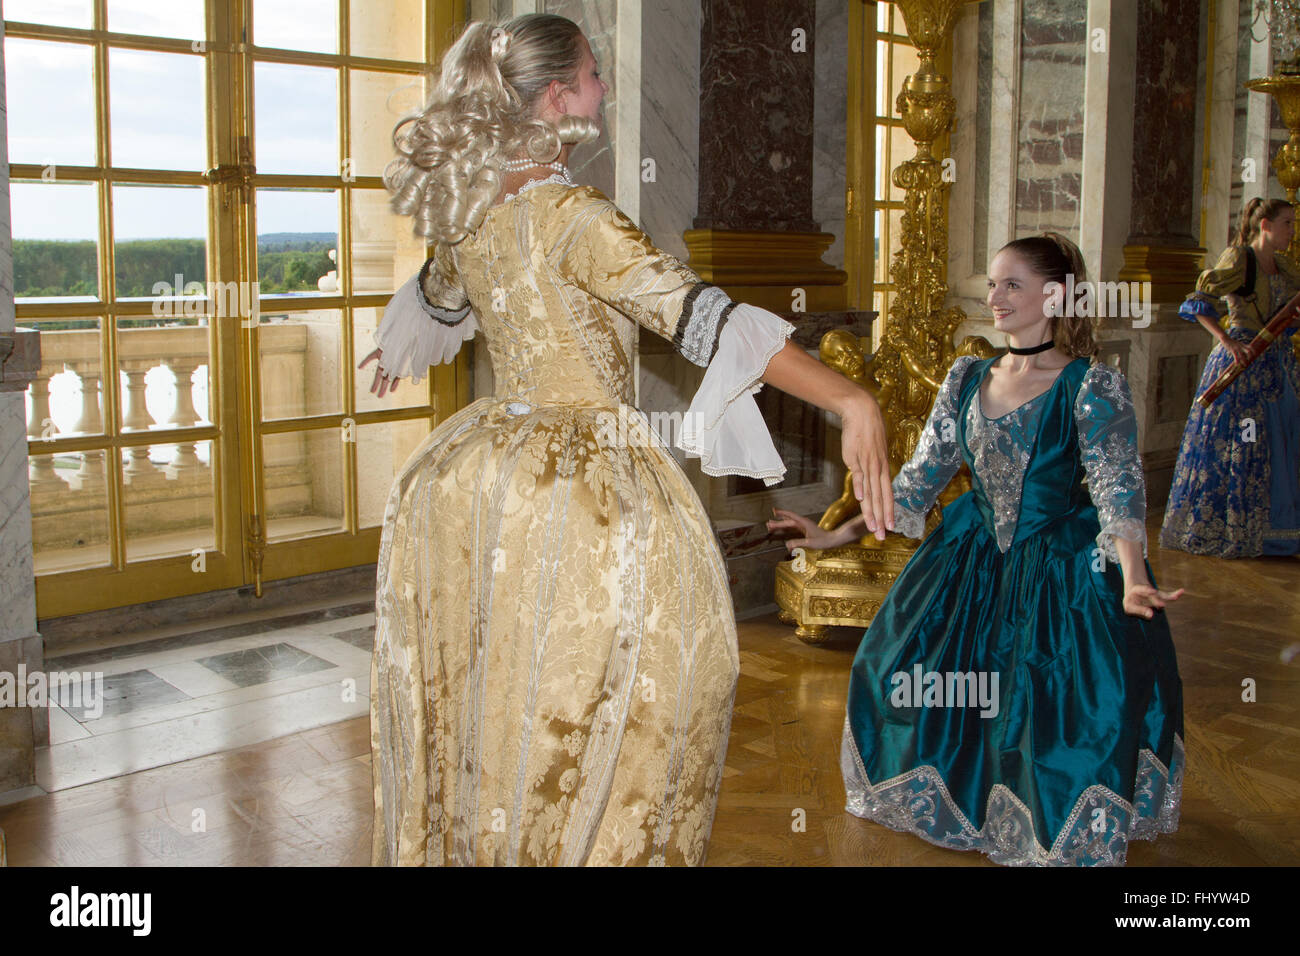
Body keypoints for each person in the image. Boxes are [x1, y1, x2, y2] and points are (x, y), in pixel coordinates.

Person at [357, 14, 893, 866]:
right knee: (627, 694)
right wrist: (847, 396)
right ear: (560, 97)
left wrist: (394, 344)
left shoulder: (472, 213)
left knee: (499, 687)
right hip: (580, 489)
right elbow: (697, 318)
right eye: (594, 72)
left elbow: (440, 294)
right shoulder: (574, 214)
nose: (606, 85)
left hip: (477, 476)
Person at [769, 233, 1185, 866]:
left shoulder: (1091, 386)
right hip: (971, 558)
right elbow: (915, 484)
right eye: (992, 284)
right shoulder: (968, 377)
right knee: (899, 677)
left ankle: (1039, 818)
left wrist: (1130, 578)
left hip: (1062, 571)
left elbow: (1117, 493)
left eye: (1012, 285)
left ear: (1057, 294)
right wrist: (836, 533)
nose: (995, 298)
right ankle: (979, 805)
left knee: (1048, 709)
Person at [1160, 198, 1300, 557]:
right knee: (1241, 447)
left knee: (1280, 443)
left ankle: (1279, 531)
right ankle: (1234, 526)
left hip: (1276, 365)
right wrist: (1226, 340)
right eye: (1287, 223)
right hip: (1240, 365)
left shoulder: (1284, 265)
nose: (1292, 231)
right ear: (1265, 225)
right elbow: (1197, 301)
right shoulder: (1239, 258)